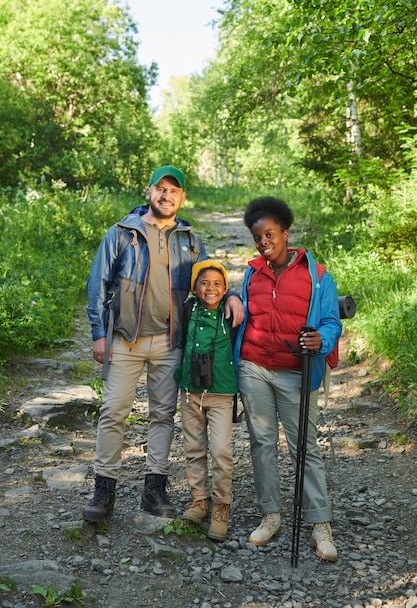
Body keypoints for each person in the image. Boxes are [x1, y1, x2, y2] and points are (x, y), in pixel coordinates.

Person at [82, 165, 243, 522]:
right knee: (113, 412)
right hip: (125, 338)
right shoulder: (122, 233)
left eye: (174, 191)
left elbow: (209, 278)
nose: (166, 195)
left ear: (182, 198)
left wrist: (231, 294)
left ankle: (154, 489)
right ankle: (103, 489)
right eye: (161, 189)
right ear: (149, 192)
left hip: (170, 341)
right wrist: (97, 333)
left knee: (162, 415)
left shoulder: (189, 240)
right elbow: (98, 283)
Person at [234, 196, 342, 561]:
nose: (263, 242)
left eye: (269, 234)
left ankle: (319, 524)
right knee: (261, 443)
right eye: (257, 238)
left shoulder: (317, 275)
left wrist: (321, 340)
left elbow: (331, 322)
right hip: (254, 367)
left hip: (298, 370)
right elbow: (244, 314)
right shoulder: (252, 273)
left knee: (304, 448)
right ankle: (271, 516)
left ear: (285, 232)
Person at [174, 260, 238, 541]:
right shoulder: (188, 309)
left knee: (221, 451)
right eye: (204, 283)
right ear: (195, 288)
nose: (210, 288)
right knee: (193, 448)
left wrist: (235, 295)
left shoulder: (230, 313)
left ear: (225, 289)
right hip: (190, 392)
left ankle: (222, 506)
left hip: (222, 393)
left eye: (217, 284)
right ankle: (199, 499)